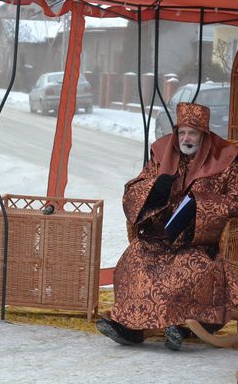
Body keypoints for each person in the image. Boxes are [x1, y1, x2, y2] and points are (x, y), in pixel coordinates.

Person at [97, 102, 238, 351]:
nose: (186, 138)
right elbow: (135, 187)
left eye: (192, 133)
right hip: (161, 236)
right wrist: (154, 188)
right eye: (181, 132)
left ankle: (183, 326)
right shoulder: (163, 154)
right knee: (136, 257)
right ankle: (130, 327)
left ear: (203, 135)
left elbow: (234, 200)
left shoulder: (226, 161)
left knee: (188, 268)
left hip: (201, 242)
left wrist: (201, 207)